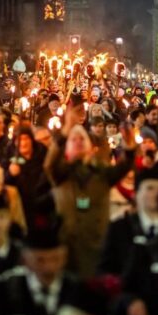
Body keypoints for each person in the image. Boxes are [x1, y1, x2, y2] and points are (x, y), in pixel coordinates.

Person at [44, 107, 136, 278]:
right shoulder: (61, 175)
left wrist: (130, 147)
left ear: (90, 146)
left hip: (97, 248)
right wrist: (65, 131)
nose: (78, 141)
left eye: (82, 139)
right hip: (66, 249)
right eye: (73, 139)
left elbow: (124, 167)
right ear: (66, 146)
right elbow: (49, 164)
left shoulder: (102, 172)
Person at [0, 222, 78, 315]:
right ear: (24, 260)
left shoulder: (76, 291)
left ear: (65, 258)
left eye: (56, 259)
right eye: (40, 260)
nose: (49, 267)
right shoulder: (5, 291)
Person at [98, 172, 158, 276]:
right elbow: (105, 267)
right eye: (150, 188)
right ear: (136, 195)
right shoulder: (119, 228)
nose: (157, 193)